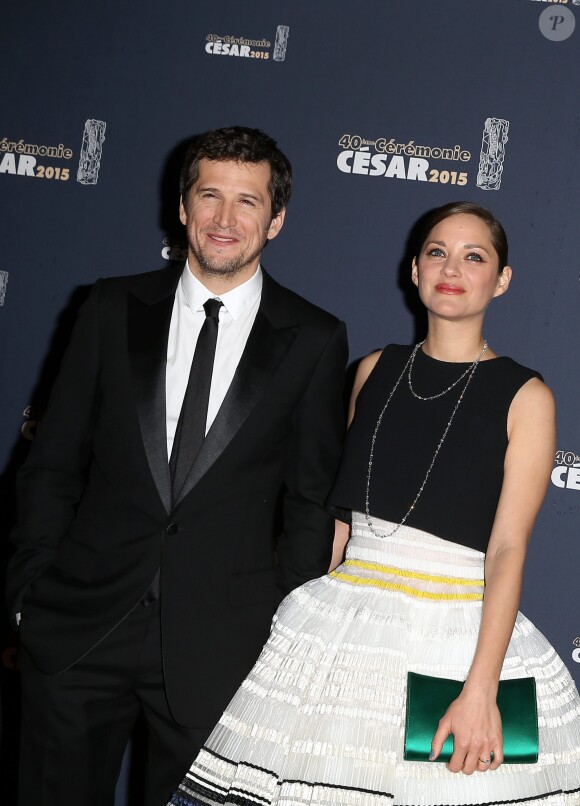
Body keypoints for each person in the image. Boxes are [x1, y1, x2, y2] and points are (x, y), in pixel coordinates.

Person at [169, 201, 580, 806]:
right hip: (343, 623)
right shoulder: (374, 370)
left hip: (455, 626)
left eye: (475, 257)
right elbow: (343, 517)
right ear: (414, 269)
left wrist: (481, 688)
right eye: (438, 252)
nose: (452, 269)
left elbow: (509, 548)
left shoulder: (527, 395)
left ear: (503, 278)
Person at [6, 126, 348, 806]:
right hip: (79, 630)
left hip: (222, 649)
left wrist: (276, 630)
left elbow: (310, 503)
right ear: (183, 208)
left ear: (276, 219)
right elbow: (52, 464)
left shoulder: (314, 339)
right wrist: (27, 593)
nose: (225, 219)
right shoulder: (108, 308)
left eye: (247, 202)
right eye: (210, 196)